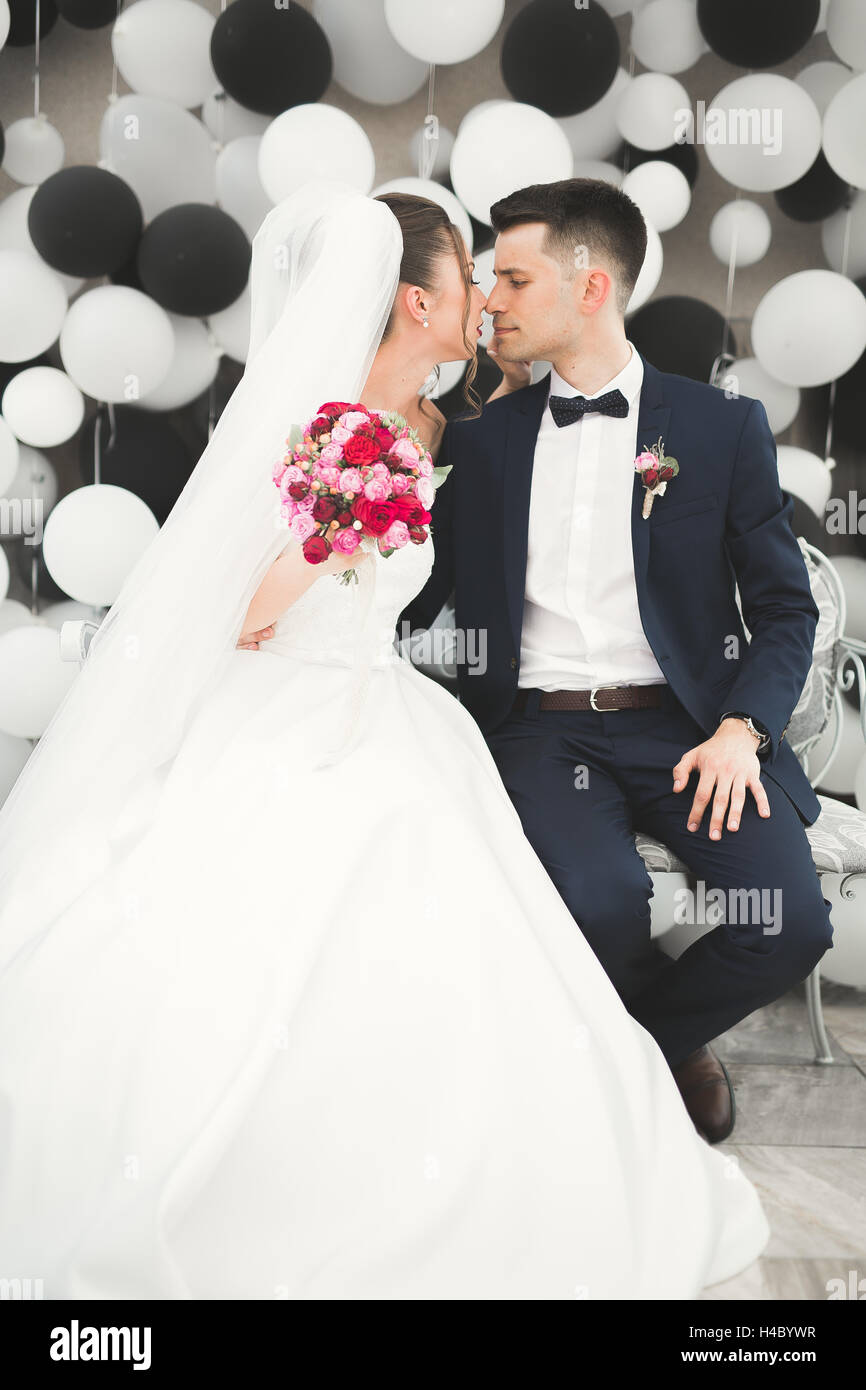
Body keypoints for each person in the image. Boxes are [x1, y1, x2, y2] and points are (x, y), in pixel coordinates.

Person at [0, 185, 768, 1300]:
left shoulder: (427, 426)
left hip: (388, 704)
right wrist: (342, 524)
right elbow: (245, 610)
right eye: (472, 276)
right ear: (418, 300)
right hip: (287, 710)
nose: (487, 302)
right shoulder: (328, 429)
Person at [399, 178, 834, 1147]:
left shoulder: (717, 428)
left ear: (588, 287)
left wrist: (740, 729)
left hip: (690, 730)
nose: (491, 302)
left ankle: (633, 1051)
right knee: (598, 897)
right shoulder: (474, 442)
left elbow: (777, 605)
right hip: (537, 730)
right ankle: (659, 1060)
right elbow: (412, 594)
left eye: (512, 277)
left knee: (789, 924)